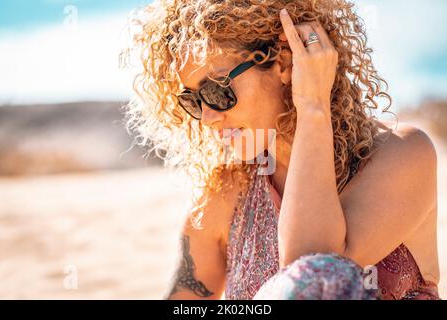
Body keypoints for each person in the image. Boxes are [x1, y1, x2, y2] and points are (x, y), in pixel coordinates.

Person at [121, 0, 440, 300]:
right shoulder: (224, 196)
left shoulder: (403, 154)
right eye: (192, 101)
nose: (207, 116)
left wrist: (313, 107)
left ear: (285, 62)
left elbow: (313, 275)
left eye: (216, 91)